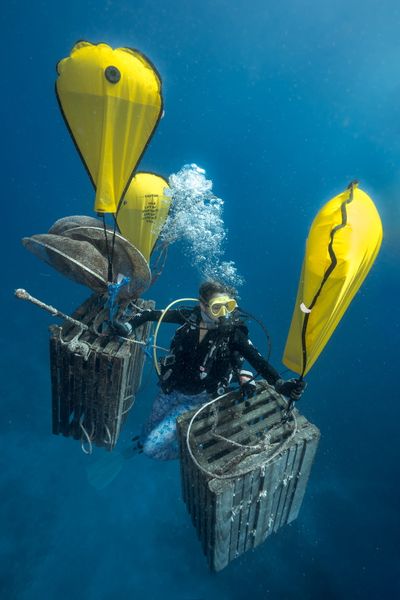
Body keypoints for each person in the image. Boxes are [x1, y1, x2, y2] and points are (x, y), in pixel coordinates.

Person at [123, 280, 306, 460]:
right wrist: (128, 326)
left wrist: (280, 383)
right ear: (202, 305)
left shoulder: (234, 334)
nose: (223, 315)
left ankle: (184, 452)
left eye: (229, 306)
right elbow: (150, 314)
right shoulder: (190, 318)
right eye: (217, 307)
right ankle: (139, 444)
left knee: (151, 448)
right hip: (170, 389)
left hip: (198, 398)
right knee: (148, 428)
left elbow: (257, 360)